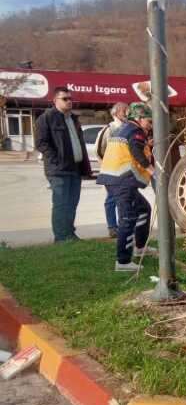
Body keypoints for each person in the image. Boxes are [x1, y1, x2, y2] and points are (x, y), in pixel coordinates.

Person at [96, 102, 157, 272]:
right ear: (138, 118)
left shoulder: (123, 129)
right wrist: (152, 171)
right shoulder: (135, 131)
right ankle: (123, 262)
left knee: (143, 208)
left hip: (115, 178)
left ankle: (139, 247)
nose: (150, 125)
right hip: (122, 180)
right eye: (148, 121)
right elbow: (136, 152)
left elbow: (129, 149)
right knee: (127, 218)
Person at [35, 86, 92, 242]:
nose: (69, 101)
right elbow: (41, 143)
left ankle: (70, 234)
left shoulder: (73, 119)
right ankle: (61, 238)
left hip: (75, 168)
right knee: (61, 203)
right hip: (58, 169)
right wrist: (56, 160)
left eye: (70, 98)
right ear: (55, 101)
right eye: (65, 99)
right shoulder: (46, 118)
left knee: (72, 203)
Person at [96, 102, 128, 237]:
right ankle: (112, 227)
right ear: (115, 113)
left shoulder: (128, 128)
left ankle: (124, 225)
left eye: (127, 110)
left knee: (124, 199)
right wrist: (109, 163)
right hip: (111, 170)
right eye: (123, 111)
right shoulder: (108, 129)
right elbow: (99, 150)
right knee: (111, 199)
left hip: (125, 171)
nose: (126, 113)